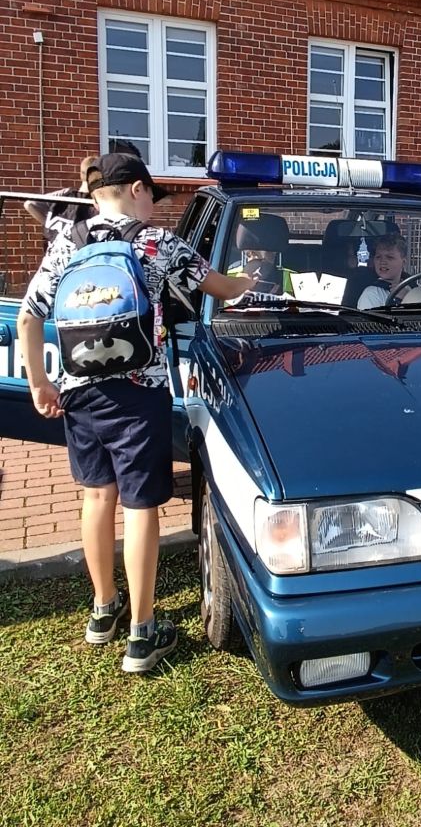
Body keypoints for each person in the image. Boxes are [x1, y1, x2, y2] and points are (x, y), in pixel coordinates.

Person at [17, 154, 255, 673]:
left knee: (97, 495)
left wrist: (40, 383)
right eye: (152, 195)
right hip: (139, 392)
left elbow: (27, 318)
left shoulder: (68, 241)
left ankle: (104, 610)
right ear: (138, 190)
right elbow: (221, 288)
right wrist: (250, 278)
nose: (154, 205)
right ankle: (143, 634)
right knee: (141, 506)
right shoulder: (156, 242)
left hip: (80, 392)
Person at [24, 154, 99, 243]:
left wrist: (48, 226)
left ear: (81, 174)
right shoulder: (97, 200)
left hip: (55, 248)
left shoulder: (64, 194)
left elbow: (29, 204)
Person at [357, 233, 408, 309]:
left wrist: (409, 296)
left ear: (403, 262)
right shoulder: (371, 294)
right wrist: (404, 301)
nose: (382, 261)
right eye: (378, 257)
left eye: (389, 257)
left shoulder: (412, 288)